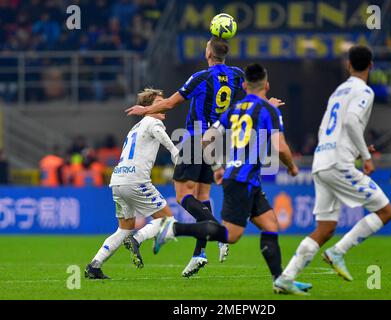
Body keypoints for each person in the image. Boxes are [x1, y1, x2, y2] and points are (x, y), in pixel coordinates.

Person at [150, 63, 312, 294]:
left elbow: (207, 137)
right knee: (230, 235)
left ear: (244, 86)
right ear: (266, 85)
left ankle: (280, 280)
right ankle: (174, 229)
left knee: (270, 225)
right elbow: (281, 147)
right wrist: (293, 167)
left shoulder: (233, 110)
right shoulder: (269, 110)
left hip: (244, 179)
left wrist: (217, 166)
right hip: (241, 180)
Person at [126, 36, 252, 277]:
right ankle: (199, 254)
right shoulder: (236, 74)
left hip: (196, 139)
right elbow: (251, 96)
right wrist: (268, 103)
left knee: (183, 196)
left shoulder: (201, 78)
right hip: (218, 141)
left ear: (208, 55)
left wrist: (145, 109)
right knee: (202, 196)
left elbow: (170, 104)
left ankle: (218, 232)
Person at [274, 45, 391, 295]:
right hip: (338, 163)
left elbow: (327, 128)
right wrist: (365, 156)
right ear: (371, 66)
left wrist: (351, 149)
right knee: (385, 211)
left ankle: (286, 278)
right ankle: (338, 252)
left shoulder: (338, 91)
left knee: (326, 228)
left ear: (348, 65)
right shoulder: (364, 90)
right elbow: (351, 121)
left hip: (322, 160)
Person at [85, 88, 179, 279]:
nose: (164, 105)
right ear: (147, 108)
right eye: (159, 102)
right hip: (136, 181)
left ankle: (94, 265)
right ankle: (137, 239)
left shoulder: (135, 127)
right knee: (168, 220)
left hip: (118, 180)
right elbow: (171, 148)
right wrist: (183, 167)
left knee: (124, 228)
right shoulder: (154, 123)